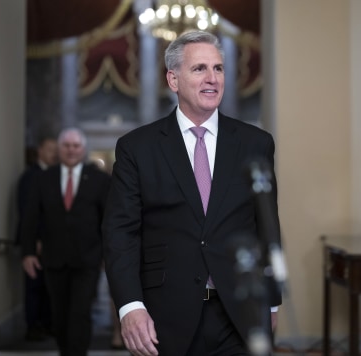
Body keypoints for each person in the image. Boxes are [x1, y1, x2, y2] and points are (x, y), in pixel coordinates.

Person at [102, 30, 282, 356]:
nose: (212, 78)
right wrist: (130, 306)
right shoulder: (137, 148)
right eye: (199, 69)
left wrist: (271, 303)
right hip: (164, 315)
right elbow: (120, 234)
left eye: (218, 68)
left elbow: (267, 227)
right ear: (173, 80)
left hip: (239, 314)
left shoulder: (256, 143)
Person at [21, 127, 111, 356]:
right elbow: (31, 216)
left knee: (80, 312)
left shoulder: (100, 180)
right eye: (67, 146)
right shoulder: (43, 178)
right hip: (53, 258)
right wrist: (28, 252)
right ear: (59, 149)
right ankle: (65, 352)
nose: (71, 150)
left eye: (76, 146)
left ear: (83, 149)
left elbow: (108, 219)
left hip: (88, 259)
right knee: (59, 314)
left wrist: (108, 254)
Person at [16, 136, 58, 341]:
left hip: (51, 243)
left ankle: (46, 324)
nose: (55, 153)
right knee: (34, 287)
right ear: (40, 150)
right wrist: (33, 242)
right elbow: (28, 213)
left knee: (47, 287)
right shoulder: (31, 176)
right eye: (50, 149)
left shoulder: (52, 174)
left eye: (55, 149)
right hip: (36, 244)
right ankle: (33, 327)